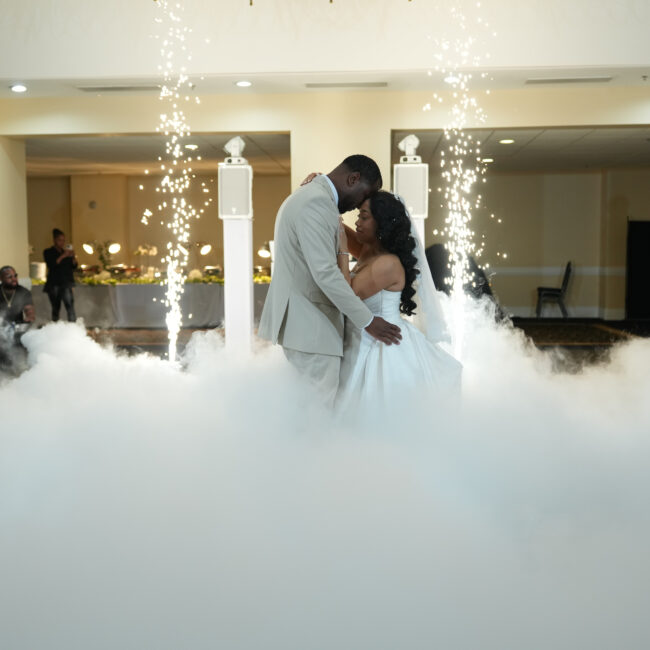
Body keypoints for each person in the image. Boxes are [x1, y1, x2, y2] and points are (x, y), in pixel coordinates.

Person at [257, 155, 402, 407]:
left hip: (309, 326)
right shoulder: (316, 202)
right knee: (317, 413)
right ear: (353, 179)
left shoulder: (313, 198)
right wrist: (368, 321)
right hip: (311, 326)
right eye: (364, 195)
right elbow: (325, 273)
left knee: (311, 409)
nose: (358, 207)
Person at [335, 190, 462, 411]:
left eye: (364, 217)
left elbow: (346, 295)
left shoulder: (388, 263)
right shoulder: (369, 250)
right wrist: (322, 193)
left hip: (380, 346)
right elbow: (337, 228)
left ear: (382, 223)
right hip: (361, 336)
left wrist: (342, 250)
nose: (357, 222)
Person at [0, 265, 35, 374]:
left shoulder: (23, 292)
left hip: (18, 328)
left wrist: (29, 317)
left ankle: (20, 371)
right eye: (9, 277)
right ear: (1, 278)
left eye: (15, 276)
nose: (14, 279)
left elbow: (29, 311)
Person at [43, 228, 77, 322]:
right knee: (55, 308)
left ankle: (73, 327)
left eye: (63, 240)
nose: (62, 243)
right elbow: (52, 264)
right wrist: (63, 256)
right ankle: (55, 326)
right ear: (54, 240)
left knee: (70, 306)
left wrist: (73, 257)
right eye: (60, 240)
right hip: (54, 283)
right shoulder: (48, 252)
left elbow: (73, 266)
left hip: (66, 283)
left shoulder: (65, 252)